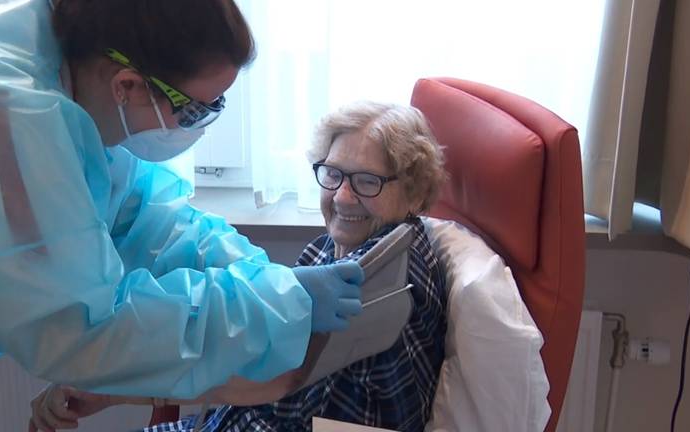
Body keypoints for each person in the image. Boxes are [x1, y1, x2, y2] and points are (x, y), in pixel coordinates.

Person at [0, 1, 365, 431]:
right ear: (129, 84)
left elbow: (142, 216)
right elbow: (87, 332)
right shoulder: (2, 117)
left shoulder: (77, 73)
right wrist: (274, 304)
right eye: (197, 110)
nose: (198, 126)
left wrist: (261, 276)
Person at [32, 101, 449, 432]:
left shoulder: (389, 280)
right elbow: (262, 348)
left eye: (366, 181)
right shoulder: (333, 250)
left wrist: (112, 388)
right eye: (333, 174)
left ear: (413, 192)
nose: (341, 197)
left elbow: (278, 379)